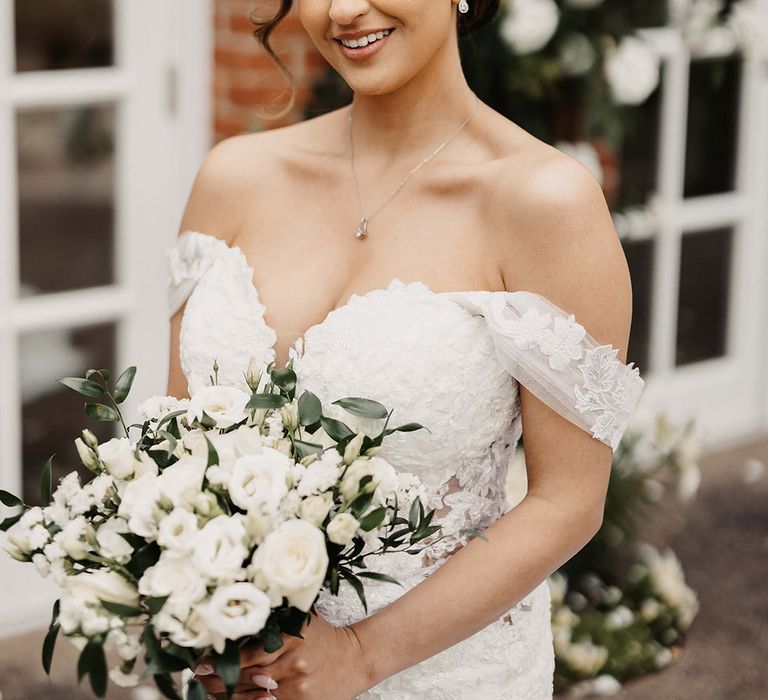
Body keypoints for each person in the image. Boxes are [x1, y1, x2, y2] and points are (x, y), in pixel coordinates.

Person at [165, 1, 646, 698]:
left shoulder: (545, 202)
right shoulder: (232, 177)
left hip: (445, 675)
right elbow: (179, 452)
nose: (344, 10)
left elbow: (568, 502)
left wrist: (359, 655)